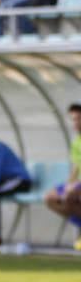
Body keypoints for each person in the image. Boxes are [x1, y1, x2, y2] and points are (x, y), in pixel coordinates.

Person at [44, 104, 81, 251]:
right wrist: (69, 184)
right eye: (73, 119)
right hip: (78, 183)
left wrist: (74, 187)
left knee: (70, 195)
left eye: (78, 118)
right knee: (50, 198)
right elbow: (76, 167)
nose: (75, 123)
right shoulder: (76, 142)